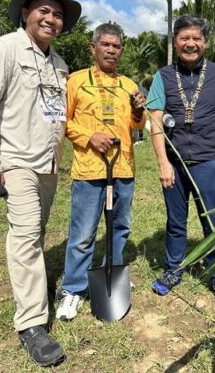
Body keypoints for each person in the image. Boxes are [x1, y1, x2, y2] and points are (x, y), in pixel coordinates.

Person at [0, 0, 81, 367]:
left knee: (34, 233)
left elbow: (60, 114)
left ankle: (31, 294)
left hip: (48, 164)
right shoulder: (3, 50)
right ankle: (32, 323)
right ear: (25, 14)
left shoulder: (60, 64)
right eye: (44, 11)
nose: (51, 19)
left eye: (58, 15)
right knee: (25, 235)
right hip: (15, 160)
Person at [147, 15, 215, 305]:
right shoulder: (162, 76)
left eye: (196, 38)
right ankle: (174, 268)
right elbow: (155, 120)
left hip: (208, 161)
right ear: (175, 42)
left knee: (213, 220)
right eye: (184, 38)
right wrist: (163, 162)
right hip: (174, 162)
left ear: (205, 42)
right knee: (176, 220)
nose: (191, 43)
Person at [56, 23, 146, 321]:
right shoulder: (76, 81)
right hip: (90, 169)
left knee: (119, 227)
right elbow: (62, 122)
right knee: (83, 233)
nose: (111, 50)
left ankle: (113, 273)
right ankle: (73, 289)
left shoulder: (129, 85)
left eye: (116, 46)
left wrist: (137, 111)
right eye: (105, 44)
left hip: (122, 167)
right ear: (93, 47)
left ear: (122, 50)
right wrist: (89, 136)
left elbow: (137, 126)